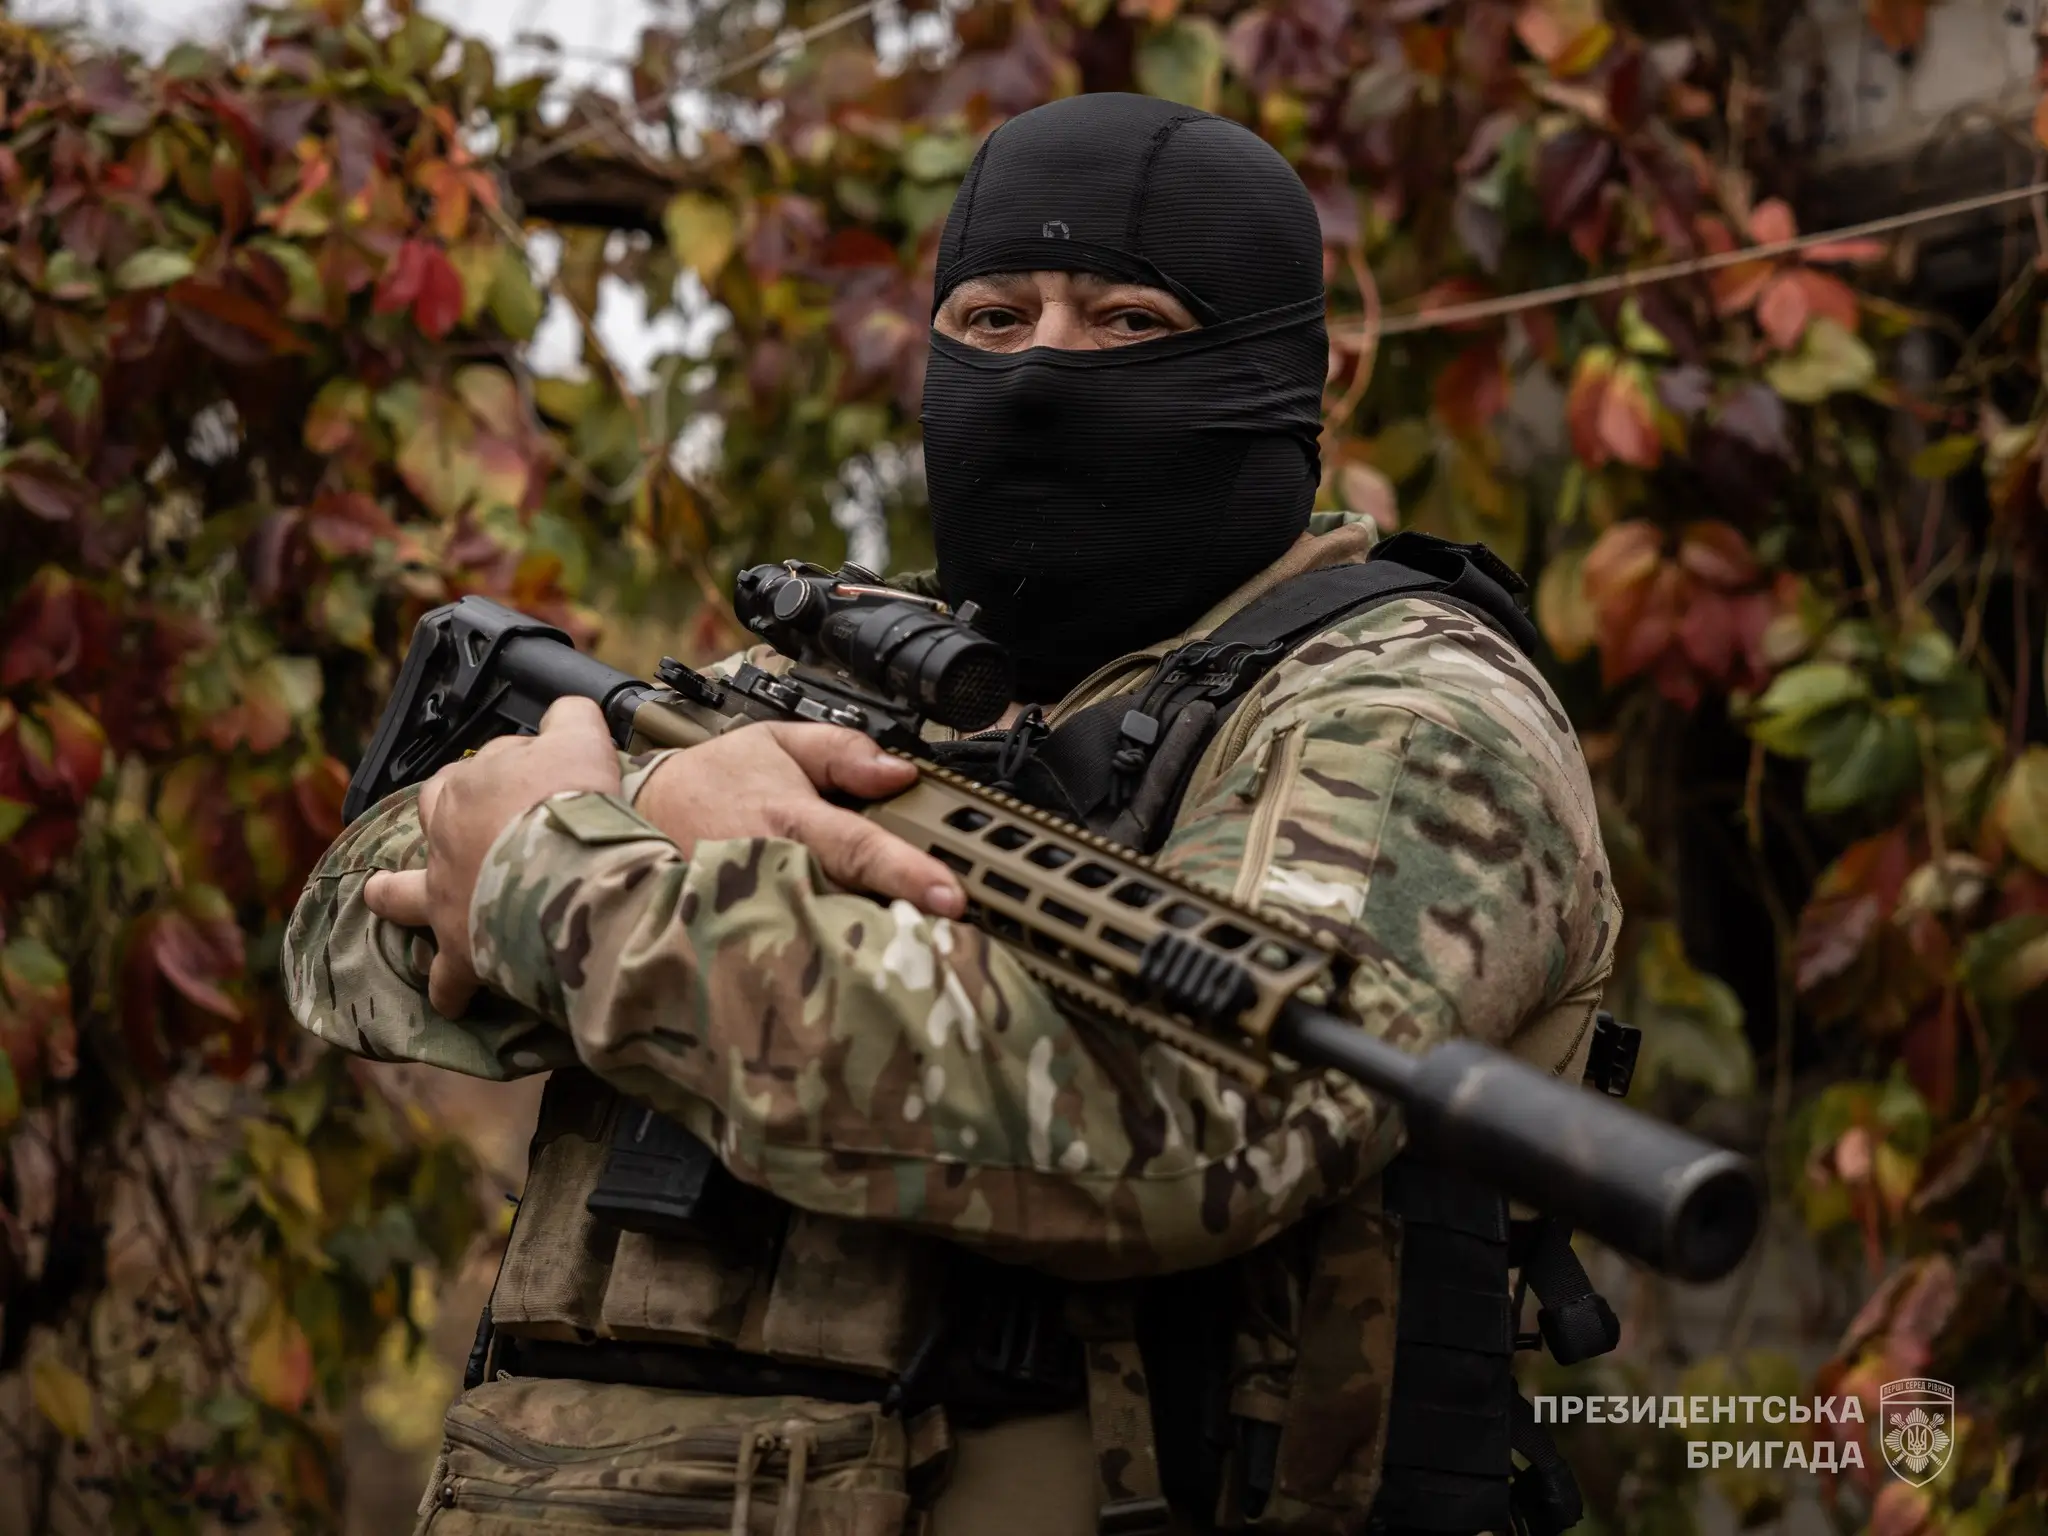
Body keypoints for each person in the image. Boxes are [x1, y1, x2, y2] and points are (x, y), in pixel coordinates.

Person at [284, 92, 1618, 1536]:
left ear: (1288, 377)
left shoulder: (1408, 714)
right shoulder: (828, 675)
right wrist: (654, 800)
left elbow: (1174, 1120)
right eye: (993, 318)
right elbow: (351, 924)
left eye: (1126, 322)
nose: (1042, 369)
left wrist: (574, 884)